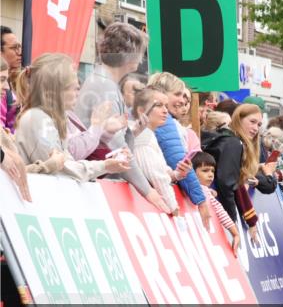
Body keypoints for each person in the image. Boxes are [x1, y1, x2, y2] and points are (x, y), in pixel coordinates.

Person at [76, 23, 172, 214]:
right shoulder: (105, 85)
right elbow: (116, 148)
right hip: (96, 182)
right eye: (141, 52)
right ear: (129, 54)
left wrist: (132, 132)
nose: (142, 57)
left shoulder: (103, 82)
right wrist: (147, 190)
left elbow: (112, 139)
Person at [15, 54, 132, 182]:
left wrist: (106, 164)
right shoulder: (37, 118)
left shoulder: (47, 118)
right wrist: (105, 165)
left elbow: (66, 164)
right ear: (57, 89)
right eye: (74, 87)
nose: (78, 92)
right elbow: (62, 169)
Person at [201, 103, 277, 237]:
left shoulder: (232, 141)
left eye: (259, 125)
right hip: (217, 212)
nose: (255, 128)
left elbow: (235, 182)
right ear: (238, 119)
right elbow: (227, 184)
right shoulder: (233, 143)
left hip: (213, 208)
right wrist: (231, 221)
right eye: (252, 122)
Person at [146, 72, 211, 226]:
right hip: (160, 197)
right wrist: (201, 201)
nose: (182, 101)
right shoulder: (165, 121)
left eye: (184, 97)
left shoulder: (165, 120)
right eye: (177, 95)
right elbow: (178, 160)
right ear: (161, 93)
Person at [130, 89, 185, 216]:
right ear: (141, 111)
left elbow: (159, 169)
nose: (165, 110)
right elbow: (156, 175)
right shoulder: (142, 136)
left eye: (166, 106)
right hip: (143, 207)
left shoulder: (148, 134)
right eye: (159, 105)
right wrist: (174, 207)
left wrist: (176, 174)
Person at [191, 151, 241, 251]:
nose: (210, 175)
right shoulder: (204, 191)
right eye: (205, 171)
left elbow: (221, 212)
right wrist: (235, 234)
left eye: (212, 171)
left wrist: (236, 234)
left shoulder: (207, 192)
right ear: (192, 172)